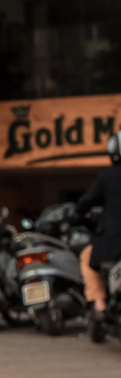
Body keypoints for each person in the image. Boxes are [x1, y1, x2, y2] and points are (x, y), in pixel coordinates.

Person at [76, 132, 121, 336]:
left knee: (86, 257)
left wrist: (80, 213)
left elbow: (84, 203)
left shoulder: (107, 177)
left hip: (112, 242)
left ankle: (100, 302)